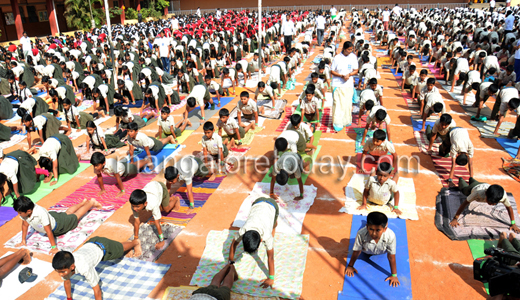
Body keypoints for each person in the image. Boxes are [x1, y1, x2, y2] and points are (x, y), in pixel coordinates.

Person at [52, 237, 142, 300]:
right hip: (90, 243)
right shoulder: (64, 267)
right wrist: (69, 298)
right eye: (58, 272)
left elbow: (97, 289)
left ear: (72, 267)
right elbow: (67, 281)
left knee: (120, 251)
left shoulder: (84, 267)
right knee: (118, 247)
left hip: (104, 247)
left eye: (62, 272)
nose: (60, 274)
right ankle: (127, 244)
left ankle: (135, 242)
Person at [14, 196, 102, 254]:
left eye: (20, 213)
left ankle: (91, 203)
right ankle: (83, 203)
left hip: (58, 225)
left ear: (28, 211)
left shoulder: (40, 213)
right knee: (68, 212)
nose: (19, 214)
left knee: (75, 216)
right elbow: (25, 225)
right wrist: (23, 240)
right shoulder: (25, 213)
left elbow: (48, 231)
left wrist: (54, 247)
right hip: (52, 217)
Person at [228, 196, 279, 289]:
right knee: (261, 218)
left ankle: (274, 224)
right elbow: (233, 244)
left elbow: (270, 257)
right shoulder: (242, 231)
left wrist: (271, 278)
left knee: (273, 223)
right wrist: (230, 262)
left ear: (261, 240)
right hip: (257, 202)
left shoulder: (267, 235)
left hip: (272, 205)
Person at [345, 211, 400, 287]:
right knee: (363, 231)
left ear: (385, 229)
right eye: (371, 229)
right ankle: (364, 224)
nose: (374, 234)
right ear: (367, 227)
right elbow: (357, 251)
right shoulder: (361, 234)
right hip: (366, 251)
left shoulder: (391, 236)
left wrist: (394, 275)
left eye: (378, 230)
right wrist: (350, 266)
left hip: (382, 252)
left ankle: (364, 223)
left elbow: (391, 256)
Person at [450, 178, 519, 233]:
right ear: (485, 195)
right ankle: (461, 179)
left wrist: (513, 223)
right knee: (464, 189)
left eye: (494, 203)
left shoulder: (502, 196)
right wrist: (455, 218)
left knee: (473, 181)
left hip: (483, 185)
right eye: (490, 202)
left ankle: (471, 179)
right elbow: (464, 204)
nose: (492, 205)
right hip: (473, 188)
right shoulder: (477, 193)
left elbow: (509, 208)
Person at [130, 181, 178, 249]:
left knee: (165, 209)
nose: (135, 209)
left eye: (137, 207)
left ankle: (175, 199)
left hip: (161, 188)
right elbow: (137, 222)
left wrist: (162, 240)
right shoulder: (134, 205)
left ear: (145, 204)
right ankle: (167, 200)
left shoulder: (153, 204)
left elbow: (157, 222)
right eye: (133, 206)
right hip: (153, 188)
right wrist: (135, 238)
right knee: (160, 208)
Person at [330, 41, 358, 131]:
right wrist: (341, 76)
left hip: (348, 84)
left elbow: (356, 70)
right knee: (337, 104)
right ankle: (337, 123)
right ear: (344, 49)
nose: (350, 51)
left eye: (351, 49)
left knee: (347, 104)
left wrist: (349, 75)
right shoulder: (337, 58)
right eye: (348, 50)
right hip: (337, 84)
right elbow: (332, 71)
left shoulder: (353, 57)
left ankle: (346, 121)